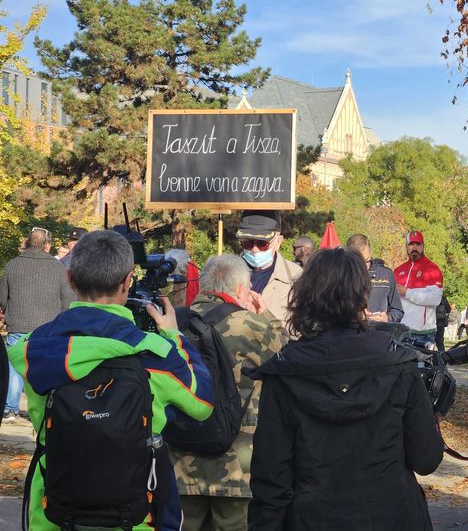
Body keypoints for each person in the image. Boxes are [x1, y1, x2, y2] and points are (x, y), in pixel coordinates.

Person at [7, 230, 214, 530]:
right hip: (139, 518)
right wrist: (174, 335)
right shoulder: (155, 352)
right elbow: (202, 404)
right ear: (127, 281)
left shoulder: (33, 349)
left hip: (53, 516)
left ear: (70, 279)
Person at [247, 248, 444, 530]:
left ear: (306, 296)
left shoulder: (285, 370)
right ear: (362, 295)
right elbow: (426, 458)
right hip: (392, 515)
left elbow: (270, 480)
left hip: (315, 518)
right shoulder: (397, 363)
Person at [171, 254, 286, 530]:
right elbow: (287, 356)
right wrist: (266, 315)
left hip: (180, 463)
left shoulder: (172, 321)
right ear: (241, 290)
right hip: (236, 467)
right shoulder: (252, 326)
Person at [1, 227, 74, 423]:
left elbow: (2, 297)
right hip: (48, 327)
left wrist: (7, 311)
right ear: (47, 246)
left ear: (28, 242)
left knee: (14, 366)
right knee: (45, 367)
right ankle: (44, 409)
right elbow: (68, 300)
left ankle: (10, 410)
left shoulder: (13, 265)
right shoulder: (58, 268)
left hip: (18, 324)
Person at [237, 210, 302, 328]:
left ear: (278, 242)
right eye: (248, 242)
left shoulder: (296, 277)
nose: (254, 249)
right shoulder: (223, 273)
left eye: (262, 243)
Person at [393, 231, 443, 343]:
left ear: (423, 246)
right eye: (411, 244)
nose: (414, 248)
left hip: (423, 333)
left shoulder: (432, 269)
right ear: (406, 247)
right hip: (400, 330)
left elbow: (435, 299)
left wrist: (407, 292)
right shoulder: (398, 271)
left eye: (418, 244)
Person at [346, 233, 404, 323]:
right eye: (359, 262)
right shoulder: (340, 277)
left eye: (367, 261)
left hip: (379, 330)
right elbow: (331, 313)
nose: (364, 266)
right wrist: (357, 316)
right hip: (351, 330)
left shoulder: (386, 274)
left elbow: (398, 311)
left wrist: (387, 318)